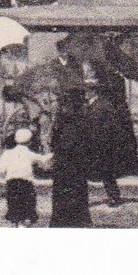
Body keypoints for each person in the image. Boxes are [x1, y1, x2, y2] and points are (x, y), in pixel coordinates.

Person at [48, 89, 93, 227]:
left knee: (62, 191)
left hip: (63, 161)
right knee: (78, 190)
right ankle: (79, 220)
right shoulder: (83, 117)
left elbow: (53, 141)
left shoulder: (61, 119)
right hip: (77, 161)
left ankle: (61, 220)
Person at [81, 74, 126, 206]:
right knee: (84, 171)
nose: (85, 94)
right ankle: (82, 199)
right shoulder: (85, 106)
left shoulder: (105, 105)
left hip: (103, 143)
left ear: (94, 91)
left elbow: (113, 125)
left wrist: (107, 140)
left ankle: (114, 196)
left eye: (87, 91)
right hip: (88, 143)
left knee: (107, 171)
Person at [0, 127, 51, 226]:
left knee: (13, 200)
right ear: (29, 142)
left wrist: (3, 174)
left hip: (11, 181)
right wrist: (52, 154)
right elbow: (42, 159)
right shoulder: (29, 154)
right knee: (27, 200)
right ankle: (27, 218)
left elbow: (0, 168)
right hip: (26, 181)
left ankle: (15, 220)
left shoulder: (7, 153)